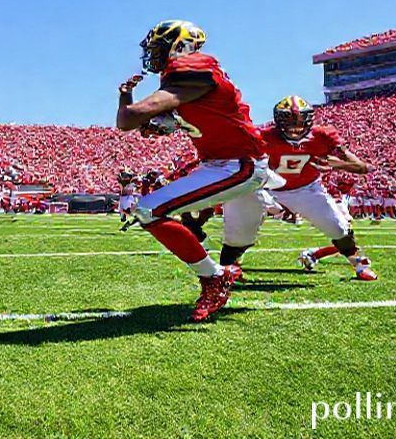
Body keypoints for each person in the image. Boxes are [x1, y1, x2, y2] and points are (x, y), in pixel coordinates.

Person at [116, 20, 280, 322]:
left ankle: (215, 277)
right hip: (221, 163)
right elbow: (195, 115)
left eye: (159, 47)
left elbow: (127, 119)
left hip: (239, 164)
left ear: (181, 46)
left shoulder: (193, 68)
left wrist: (125, 97)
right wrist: (165, 123)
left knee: (150, 210)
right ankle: (219, 271)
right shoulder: (188, 79)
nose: (154, 53)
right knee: (162, 212)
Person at [227, 96, 377, 280]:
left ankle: (359, 265)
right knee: (243, 225)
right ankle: (232, 263)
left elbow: (357, 165)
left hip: (305, 188)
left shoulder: (322, 136)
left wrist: (338, 164)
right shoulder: (263, 136)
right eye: (289, 121)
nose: (295, 127)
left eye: (299, 121)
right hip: (268, 189)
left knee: (337, 227)